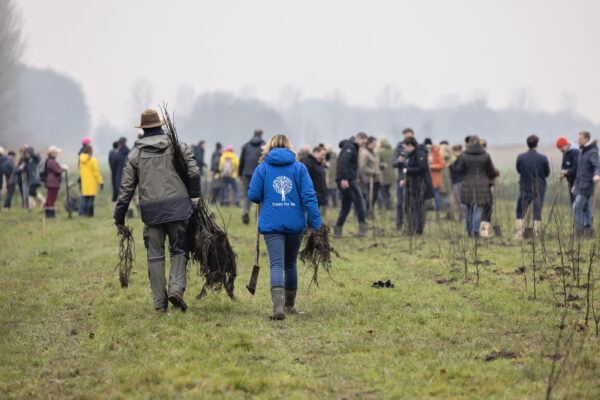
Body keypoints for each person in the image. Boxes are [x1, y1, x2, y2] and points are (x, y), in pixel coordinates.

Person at [114, 109, 200, 313]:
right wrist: (194, 199)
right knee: (179, 251)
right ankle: (176, 289)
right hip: (179, 209)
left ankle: (159, 304)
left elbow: (126, 189)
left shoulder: (135, 154)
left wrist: (119, 215)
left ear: (143, 129)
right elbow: (194, 172)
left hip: (152, 213)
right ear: (161, 126)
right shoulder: (178, 147)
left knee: (155, 256)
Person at [247, 134, 321, 320]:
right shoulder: (299, 168)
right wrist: (316, 223)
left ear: (268, 148)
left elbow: (254, 196)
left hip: (271, 225)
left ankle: (277, 307)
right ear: (290, 147)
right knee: (290, 263)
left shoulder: (262, 168)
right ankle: (289, 306)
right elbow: (309, 196)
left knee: (276, 264)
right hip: (295, 224)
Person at [453, 136, 497, 237]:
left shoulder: (464, 155)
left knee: (469, 209)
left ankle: (468, 231)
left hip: (467, 184)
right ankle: (476, 230)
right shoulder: (485, 155)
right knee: (479, 209)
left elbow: (458, 170)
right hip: (482, 184)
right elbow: (491, 171)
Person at [515, 135, 550, 238]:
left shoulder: (521, 157)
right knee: (537, 210)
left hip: (525, 187)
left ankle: (519, 233)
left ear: (527, 143)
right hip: (539, 188)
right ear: (537, 144)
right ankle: (536, 233)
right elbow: (547, 173)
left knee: (520, 210)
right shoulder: (543, 158)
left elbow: (519, 170)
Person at [334, 132, 369, 237]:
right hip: (348, 181)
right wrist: (344, 179)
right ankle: (362, 231)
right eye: (363, 142)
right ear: (359, 138)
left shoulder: (350, 146)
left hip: (349, 180)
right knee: (360, 202)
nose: (363, 144)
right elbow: (343, 162)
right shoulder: (350, 147)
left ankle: (338, 230)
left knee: (346, 206)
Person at [400, 136, 434, 236]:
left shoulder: (420, 153)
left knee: (418, 208)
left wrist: (408, 171)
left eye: (405, 147)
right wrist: (404, 179)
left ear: (410, 145)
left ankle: (418, 230)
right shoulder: (411, 154)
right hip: (410, 185)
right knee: (409, 207)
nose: (404, 150)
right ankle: (411, 228)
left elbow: (422, 168)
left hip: (419, 186)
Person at [572, 131, 600, 237]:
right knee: (586, 208)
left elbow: (597, 166)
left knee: (576, 207)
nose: (579, 140)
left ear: (587, 139)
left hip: (587, 185)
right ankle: (588, 230)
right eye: (578, 138)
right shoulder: (583, 151)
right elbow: (579, 170)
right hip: (580, 185)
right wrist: (575, 184)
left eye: (580, 139)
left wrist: (597, 175)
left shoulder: (592, 152)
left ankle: (579, 231)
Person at [239, 129, 265, 224]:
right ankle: (258, 214)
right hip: (259, 173)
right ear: (261, 135)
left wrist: (240, 174)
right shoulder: (264, 145)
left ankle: (246, 210)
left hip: (246, 173)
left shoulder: (246, 145)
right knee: (261, 194)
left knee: (247, 194)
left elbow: (241, 160)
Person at [392, 128, 416, 230]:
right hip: (402, 178)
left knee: (412, 202)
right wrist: (399, 161)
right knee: (400, 202)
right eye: (406, 137)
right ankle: (399, 224)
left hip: (414, 178)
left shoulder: (416, 148)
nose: (408, 139)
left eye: (410, 137)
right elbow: (394, 164)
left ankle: (411, 223)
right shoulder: (398, 148)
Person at [479, 139, 500, 237]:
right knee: (487, 208)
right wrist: (497, 172)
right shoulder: (486, 157)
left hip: (474, 186)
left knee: (477, 208)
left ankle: (476, 229)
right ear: (486, 146)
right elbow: (491, 171)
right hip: (486, 186)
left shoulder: (470, 156)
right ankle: (484, 231)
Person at [301, 145, 328, 218]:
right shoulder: (307, 162)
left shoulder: (319, 163)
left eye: (324, 155)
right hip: (311, 195)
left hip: (318, 195)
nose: (323, 157)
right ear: (316, 152)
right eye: (322, 155)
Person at [359, 136, 382, 217]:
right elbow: (362, 166)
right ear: (370, 143)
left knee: (374, 197)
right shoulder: (365, 153)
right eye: (374, 143)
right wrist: (372, 172)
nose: (375, 145)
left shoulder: (373, 152)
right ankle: (366, 213)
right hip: (369, 179)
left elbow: (375, 163)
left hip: (376, 178)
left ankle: (370, 212)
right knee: (370, 197)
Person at [424, 138, 446, 221]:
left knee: (436, 197)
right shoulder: (422, 153)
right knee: (425, 198)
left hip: (435, 178)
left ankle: (438, 215)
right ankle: (425, 215)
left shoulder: (437, 152)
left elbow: (442, 164)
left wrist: (431, 167)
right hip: (426, 179)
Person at [79, 145, 103, 217]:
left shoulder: (80, 159)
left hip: (84, 182)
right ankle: (90, 214)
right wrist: (101, 181)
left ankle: (83, 213)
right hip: (92, 182)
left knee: (85, 198)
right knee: (91, 200)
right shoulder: (93, 160)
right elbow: (96, 172)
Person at [43, 146, 65, 218]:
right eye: (56, 152)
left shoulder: (49, 161)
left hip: (51, 182)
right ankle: (51, 215)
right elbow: (57, 171)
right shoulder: (51, 161)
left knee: (50, 198)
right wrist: (63, 169)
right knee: (51, 198)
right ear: (52, 153)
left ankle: (48, 213)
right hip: (53, 182)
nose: (57, 154)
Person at [556, 137, 580, 205]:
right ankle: (574, 215)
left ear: (566, 144)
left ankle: (580, 216)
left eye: (561, 147)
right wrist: (562, 173)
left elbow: (576, 168)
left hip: (577, 182)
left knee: (577, 204)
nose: (560, 150)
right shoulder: (565, 153)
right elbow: (564, 166)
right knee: (573, 203)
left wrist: (566, 172)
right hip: (570, 181)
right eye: (559, 148)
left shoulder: (575, 152)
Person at [449, 144, 466, 221]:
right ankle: (462, 217)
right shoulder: (458, 159)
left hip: (459, 181)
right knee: (459, 200)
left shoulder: (461, 159)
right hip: (457, 181)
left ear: (457, 151)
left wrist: (450, 166)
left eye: (453, 152)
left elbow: (458, 170)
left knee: (460, 200)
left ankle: (463, 217)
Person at [377, 137, 394, 211]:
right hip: (391, 175)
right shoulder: (392, 150)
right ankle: (389, 206)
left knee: (382, 191)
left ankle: (384, 207)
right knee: (387, 191)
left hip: (383, 175)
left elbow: (377, 163)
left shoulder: (379, 152)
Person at [439, 141, 454, 219]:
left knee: (445, 197)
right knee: (447, 197)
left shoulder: (442, 157)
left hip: (444, 181)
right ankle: (449, 213)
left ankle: (447, 213)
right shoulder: (451, 158)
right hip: (447, 180)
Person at [108, 141, 120, 206]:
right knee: (116, 191)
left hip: (114, 174)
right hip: (115, 174)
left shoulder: (111, 154)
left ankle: (115, 205)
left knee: (116, 190)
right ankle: (114, 205)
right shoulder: (114, 155)